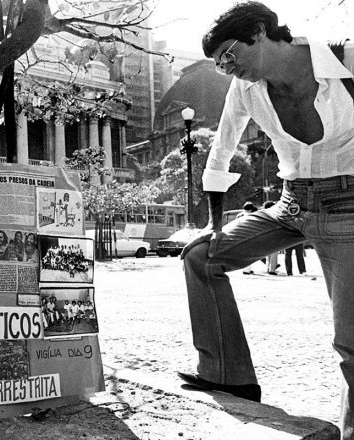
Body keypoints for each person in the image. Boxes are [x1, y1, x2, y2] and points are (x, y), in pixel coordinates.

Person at [177, 3, 354, 437]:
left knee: (351, 343)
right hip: (290, 204)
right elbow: (222, 148)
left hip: (348, 208)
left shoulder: (346, 62)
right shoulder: (246, 89)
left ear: (259, 31)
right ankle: (227, 373)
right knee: (202, 256)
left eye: (229, 55)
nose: (226, 68)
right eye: (218, 65)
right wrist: (214, 223)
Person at [261, 200, 279, 275]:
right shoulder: (274, 214)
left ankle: (267, 268)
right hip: (274, 235)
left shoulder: (263, 214)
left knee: (268, 254)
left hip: (265, 236)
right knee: (274, 254)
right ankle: (272, 270)